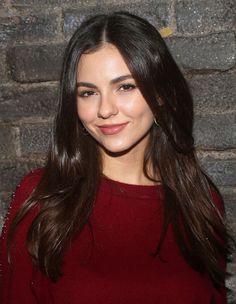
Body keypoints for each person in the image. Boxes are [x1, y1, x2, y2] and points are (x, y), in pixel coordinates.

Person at [0, 11, 232, 304]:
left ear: (159, 93)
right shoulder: (41, 199)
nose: (105, 109)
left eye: (125, 86)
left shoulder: (201, 202)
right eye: (87, 93)